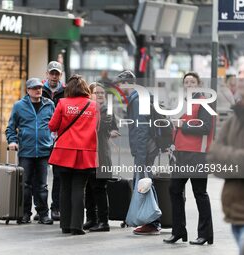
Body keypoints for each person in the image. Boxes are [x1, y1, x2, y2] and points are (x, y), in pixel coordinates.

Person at [163, 71, 214, 245]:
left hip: (198, 155)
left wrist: (183, 125)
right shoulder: (182, 103)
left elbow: (206, 127)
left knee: (200, 193)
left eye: (192, 82)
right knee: (174, 189)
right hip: (180, 154)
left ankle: (205, 234)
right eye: (186, 82)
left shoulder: (204, 102)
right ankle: (178, 231)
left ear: (198, 84)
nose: (189, 85)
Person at [48, 74, 98, 235]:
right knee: (79, 188)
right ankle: (77, 226)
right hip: (85, 153)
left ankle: (65, 225)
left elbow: (52, 126)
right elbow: (98, 128)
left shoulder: (62, 103)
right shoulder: (93, 106)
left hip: (64, 152)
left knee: (64, 188)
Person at [207, 62, 244, 255]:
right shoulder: (234, 119)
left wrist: (227, 156)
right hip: (236, 213)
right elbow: (213, 158)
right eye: (240, 73)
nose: (241, 77)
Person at [6, 78, 54, 225]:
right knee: (25, 185)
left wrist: (54, 141)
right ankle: (25, 213)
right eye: (34, 88)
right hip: (26, 151)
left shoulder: (49, 104)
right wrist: (12, 141)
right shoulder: (19, 106)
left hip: (44, 151)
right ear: (27, 90)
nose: (38, 90)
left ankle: (43, 214)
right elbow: (10, 128)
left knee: (42, 185)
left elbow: (56, 125)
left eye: (39, 87)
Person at [118, 70, 161, 235]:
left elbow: (141, 129)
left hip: (145, 149)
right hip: (147, 148)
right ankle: (151, 220)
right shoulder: (138, 97)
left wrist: (140, 154)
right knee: (145, 182)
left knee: (144, 183)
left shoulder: (137, 100)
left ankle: (152, 222)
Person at [84, 82, 119, 232]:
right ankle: (91, 219)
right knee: (88, 189)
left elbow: (100, 127)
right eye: (96, 92)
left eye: (101, 93)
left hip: (102, 154)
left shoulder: (106, 110)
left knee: (99, 188)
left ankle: (103, 222)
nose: (99, 95)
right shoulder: (87, 109)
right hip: (88, 154)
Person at [41, 61, 65, 221]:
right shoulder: (38, 90)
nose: (54, 76)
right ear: (47, 74)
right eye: (52, 73)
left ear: (60, 75)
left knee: (58, 176)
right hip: (42, 138)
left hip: (60, 139)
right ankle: (41, 210)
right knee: (39, 178)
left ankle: (56, 208)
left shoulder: (66, 91)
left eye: (57, 73)